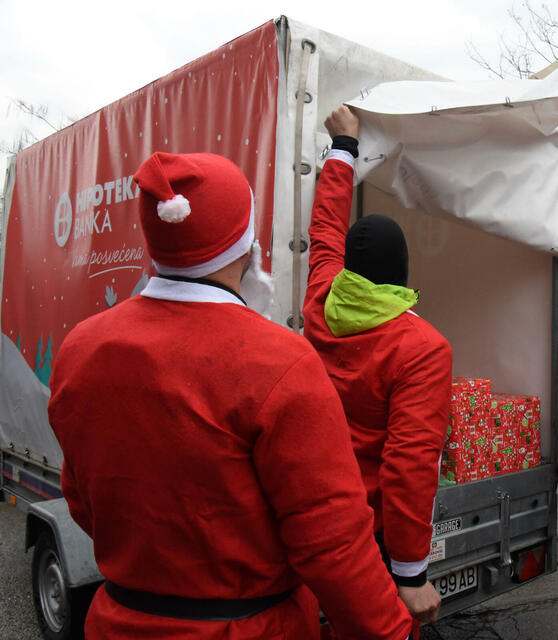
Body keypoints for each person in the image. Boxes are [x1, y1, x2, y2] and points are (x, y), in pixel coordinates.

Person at [47, 152, 412, 640]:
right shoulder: (280, 362)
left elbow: (82, 500)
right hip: (250, 628)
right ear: (247, 246)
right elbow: (333, 544)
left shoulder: (80, 348)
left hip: (119, 621)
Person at [304, 106, 451, 633]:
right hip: (374, 534)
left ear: (349, 267)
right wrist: (411, 573)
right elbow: (410, 464)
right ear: (403, 272)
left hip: (316, 514)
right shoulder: (422, 347)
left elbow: (325, 229)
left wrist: (343, 147)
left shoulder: (321, 298)